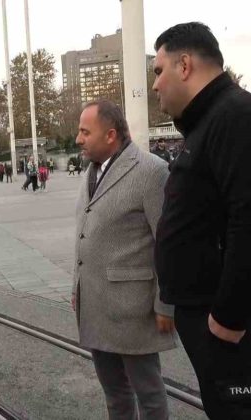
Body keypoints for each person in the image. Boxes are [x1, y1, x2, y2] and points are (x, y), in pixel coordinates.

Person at [152, 22, 251, 419]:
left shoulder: (242, 118)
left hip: (239, 329)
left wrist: (227, 321)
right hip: (217, 321)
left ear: (184, 65)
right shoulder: (212, 121)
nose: (155, 85)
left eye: (159, 71)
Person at [72, 100, 175, 420]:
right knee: (114, 392)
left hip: (134, 308)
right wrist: (78, 288)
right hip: (96, 304)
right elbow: (86, 232)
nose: (78, 139)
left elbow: (167, 243)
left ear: (111, 135)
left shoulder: (151, 171)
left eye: (85, 132)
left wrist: (165, 304)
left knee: (149, 394)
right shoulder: (91, 172)